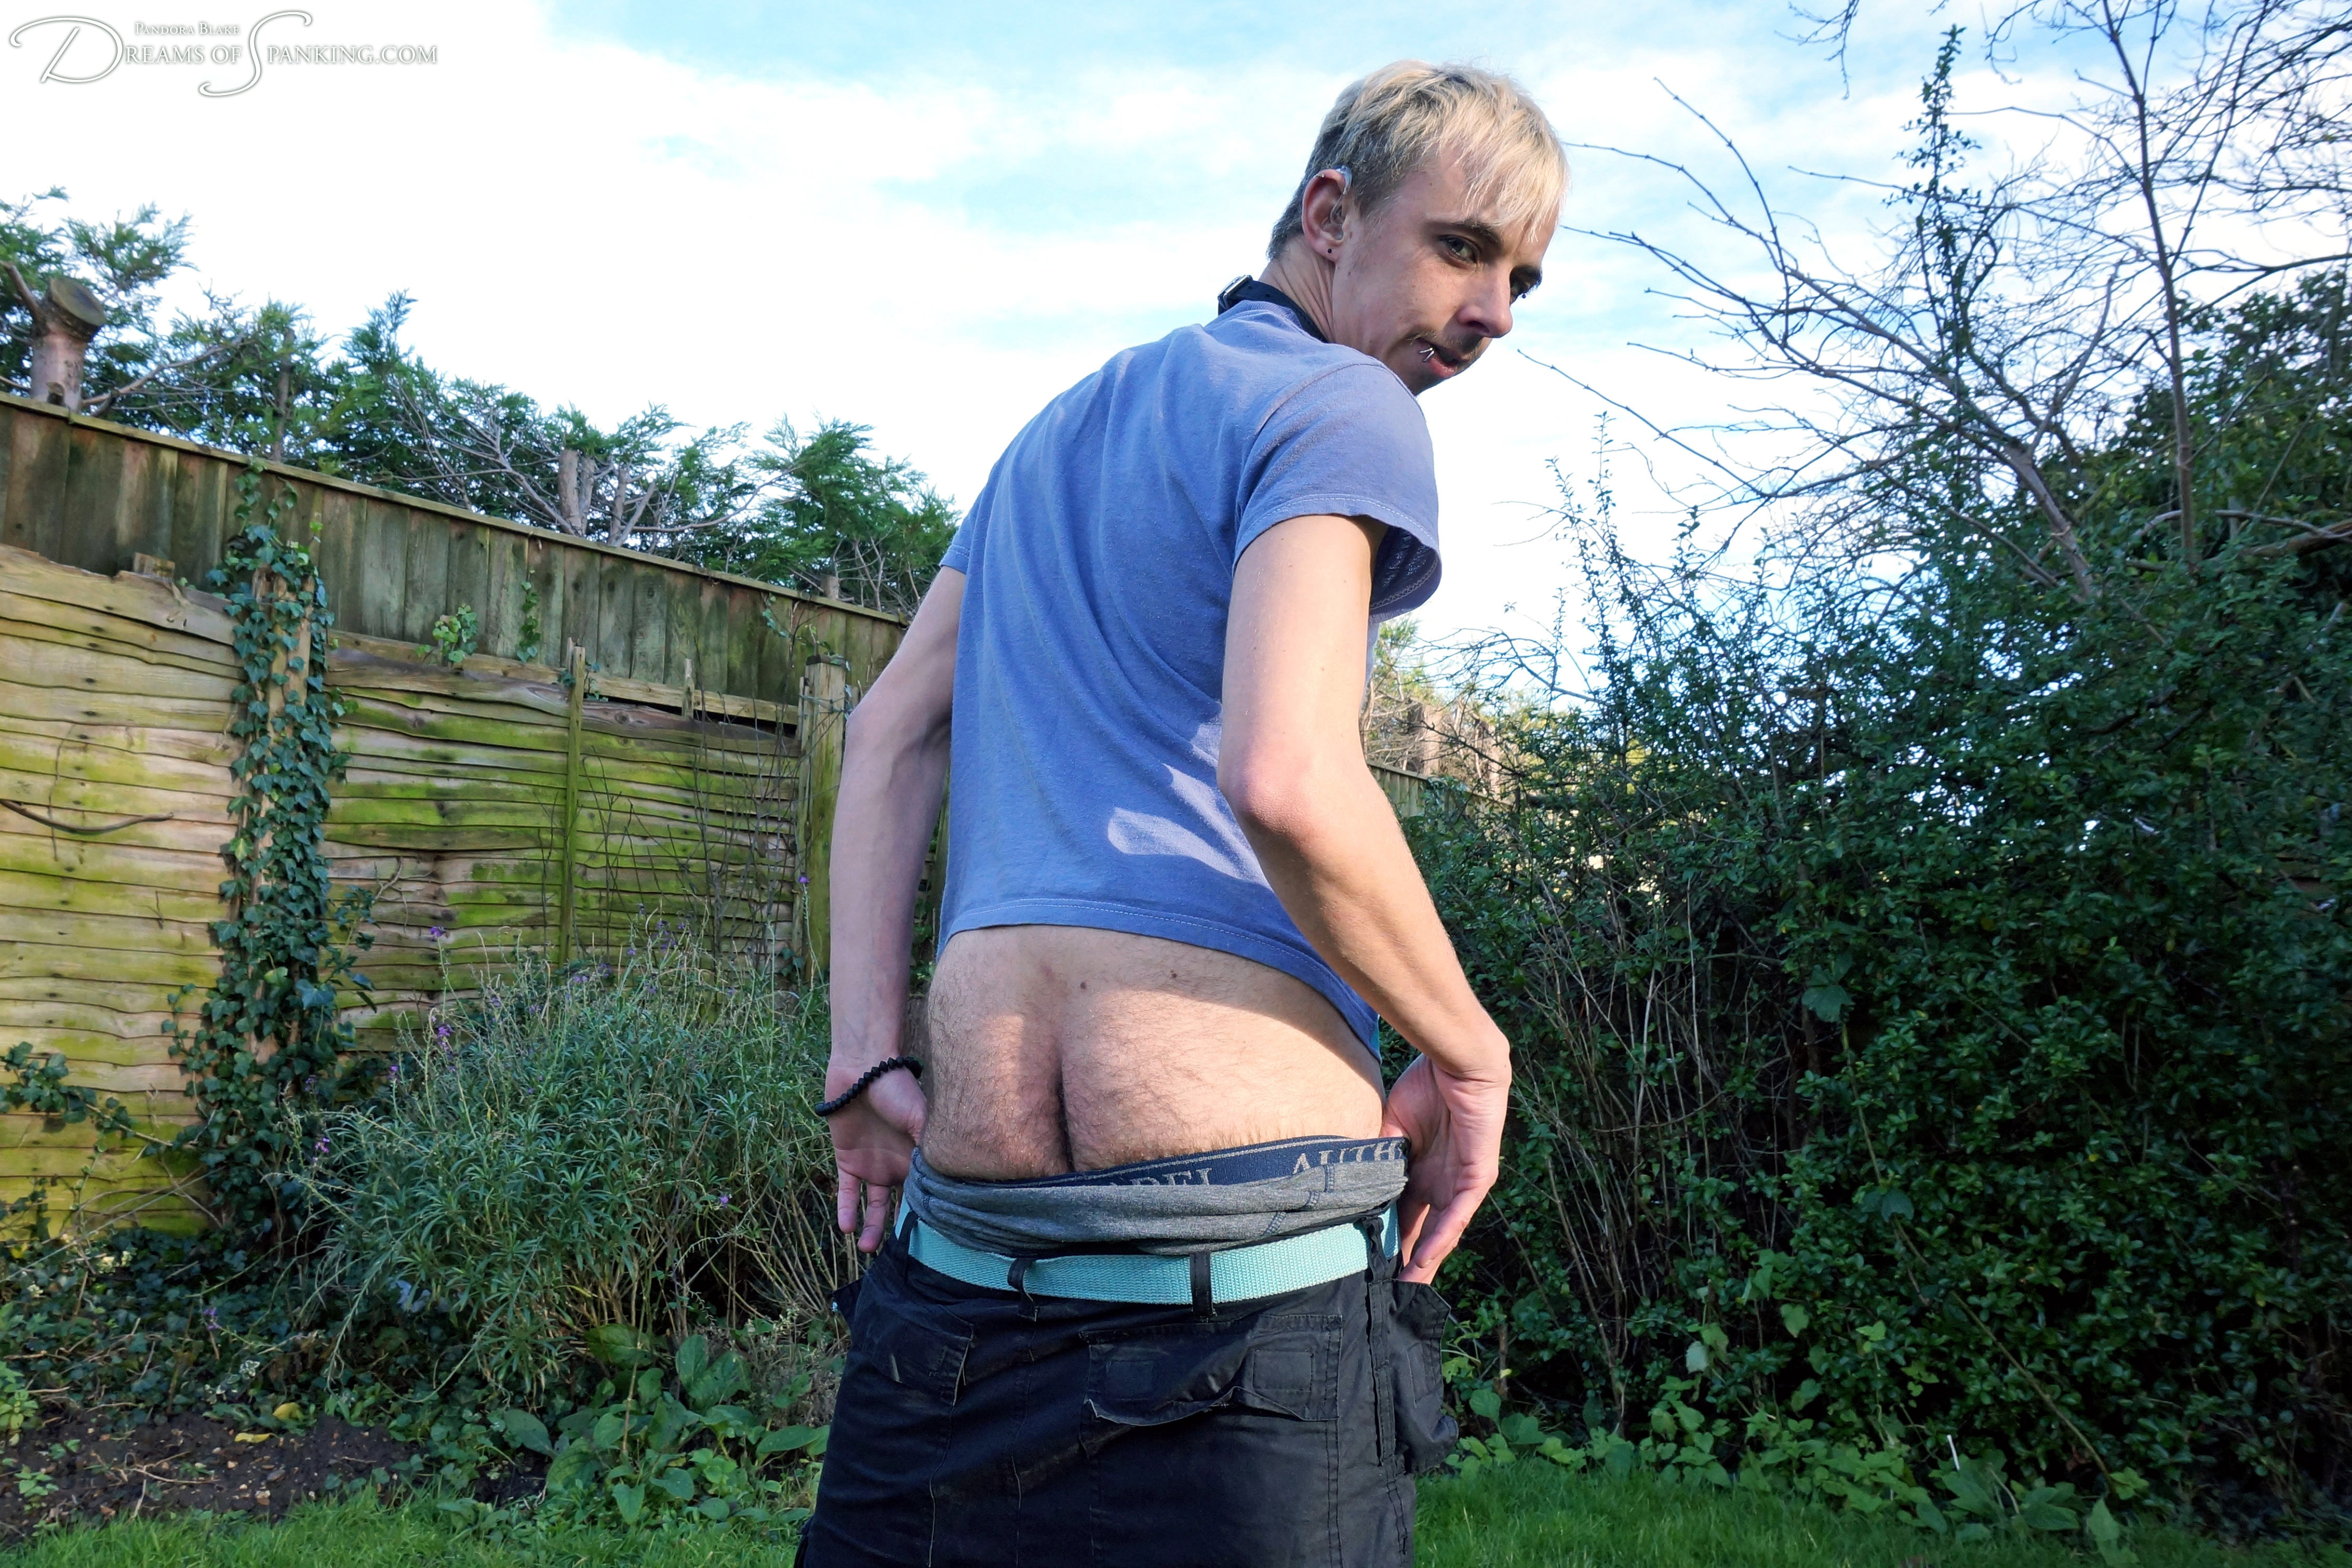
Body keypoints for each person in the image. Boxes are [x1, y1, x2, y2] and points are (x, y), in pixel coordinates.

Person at [803, 60, 1563, 1568]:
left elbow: (888, 730)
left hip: (960, 1296)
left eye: (1522, 281)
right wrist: (1471, 1057)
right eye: (1462, 249)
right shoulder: (1344, 400)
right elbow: (1286, 774)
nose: (1492, 314)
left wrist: (861, 1056)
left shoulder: (1060, 427)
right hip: (1235, 1331)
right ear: (1330, 215)